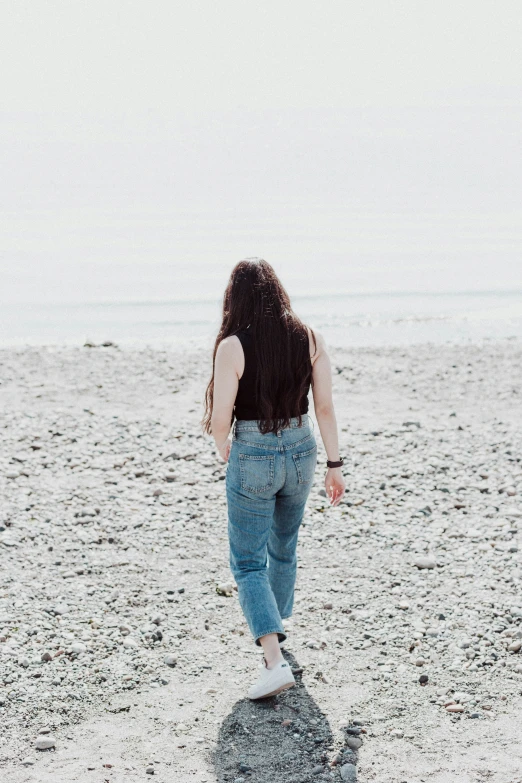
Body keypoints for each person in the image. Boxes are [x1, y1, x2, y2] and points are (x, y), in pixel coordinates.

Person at [202, 258, 345, 699]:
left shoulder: (232, 346)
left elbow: (221, 414)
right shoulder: (311, 337)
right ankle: (275, 627)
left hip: (254, 450)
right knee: (283, 547)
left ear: (236, 297)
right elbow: (323, 407)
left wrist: (224, 446)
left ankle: (273, 657)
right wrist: (335, 465)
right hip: (302, 449)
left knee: (247, 561)